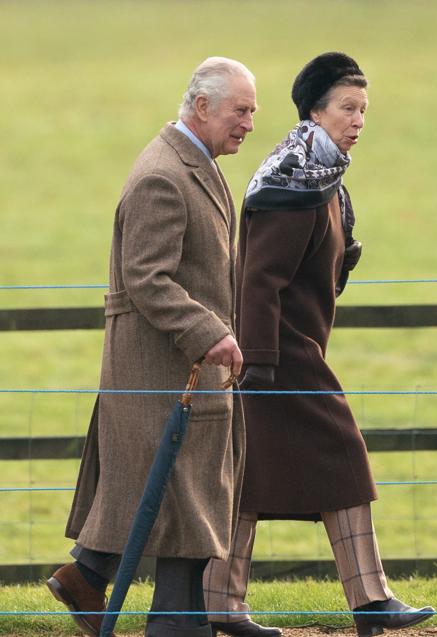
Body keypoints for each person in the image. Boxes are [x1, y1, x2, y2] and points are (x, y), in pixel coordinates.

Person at [203, 52, 434, 637]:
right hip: (279, 355)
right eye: (347, 108)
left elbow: (307, 265)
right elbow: (258, 280)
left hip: (289, 349)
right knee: (345, 457)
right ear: (314, 110)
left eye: (363, 109)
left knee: (247, 477)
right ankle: (371, 602)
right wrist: (258, 363)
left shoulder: (320, 174)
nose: (358, 120)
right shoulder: (294, 181)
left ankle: (220, 609)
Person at [46, 56, 257, 637]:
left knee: (180, 493)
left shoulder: (195, 162)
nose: (249, 122)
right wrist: (209, 330)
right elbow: (148, 276)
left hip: (177, 369)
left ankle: (128, 596)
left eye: (253, 111)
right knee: (183, 492)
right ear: (203, 106)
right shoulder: (163, 174)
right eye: (241, 110)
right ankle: (168, 619)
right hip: (162, 367)